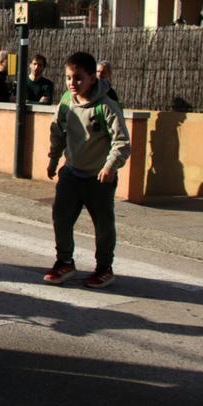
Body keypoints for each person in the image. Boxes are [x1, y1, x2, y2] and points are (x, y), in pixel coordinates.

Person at [44, 51, 131, 289]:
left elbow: (122, 142)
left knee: (103, 224)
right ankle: (64, 262)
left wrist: (110, 166)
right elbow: (57, 131)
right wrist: (53, 160)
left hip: (98, 178)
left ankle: (104, 268)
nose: (73, 83)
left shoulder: (106, 106)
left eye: (78, 78)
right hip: (71, 173)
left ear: (93, 77)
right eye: (69, 78)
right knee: (61, 218)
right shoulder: (66, 101)